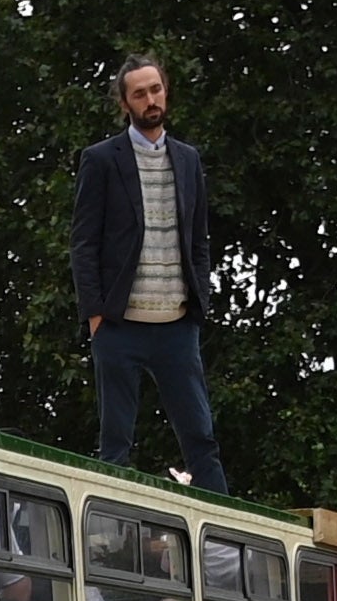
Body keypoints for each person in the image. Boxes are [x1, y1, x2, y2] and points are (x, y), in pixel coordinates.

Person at [69, 55, 222, 490]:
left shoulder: (188, 160)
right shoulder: (101, 160)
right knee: (116, 442)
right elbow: (84, 241)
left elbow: (199, 239)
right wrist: (96, 315)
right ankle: (110, 533)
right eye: (139, 93)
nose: (150, 100)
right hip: (120, 324)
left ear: (166, 92)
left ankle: (227, 543)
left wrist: (198, 303)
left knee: (201, 437)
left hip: (177, 324)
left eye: (155, 89)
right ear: (124, 103)